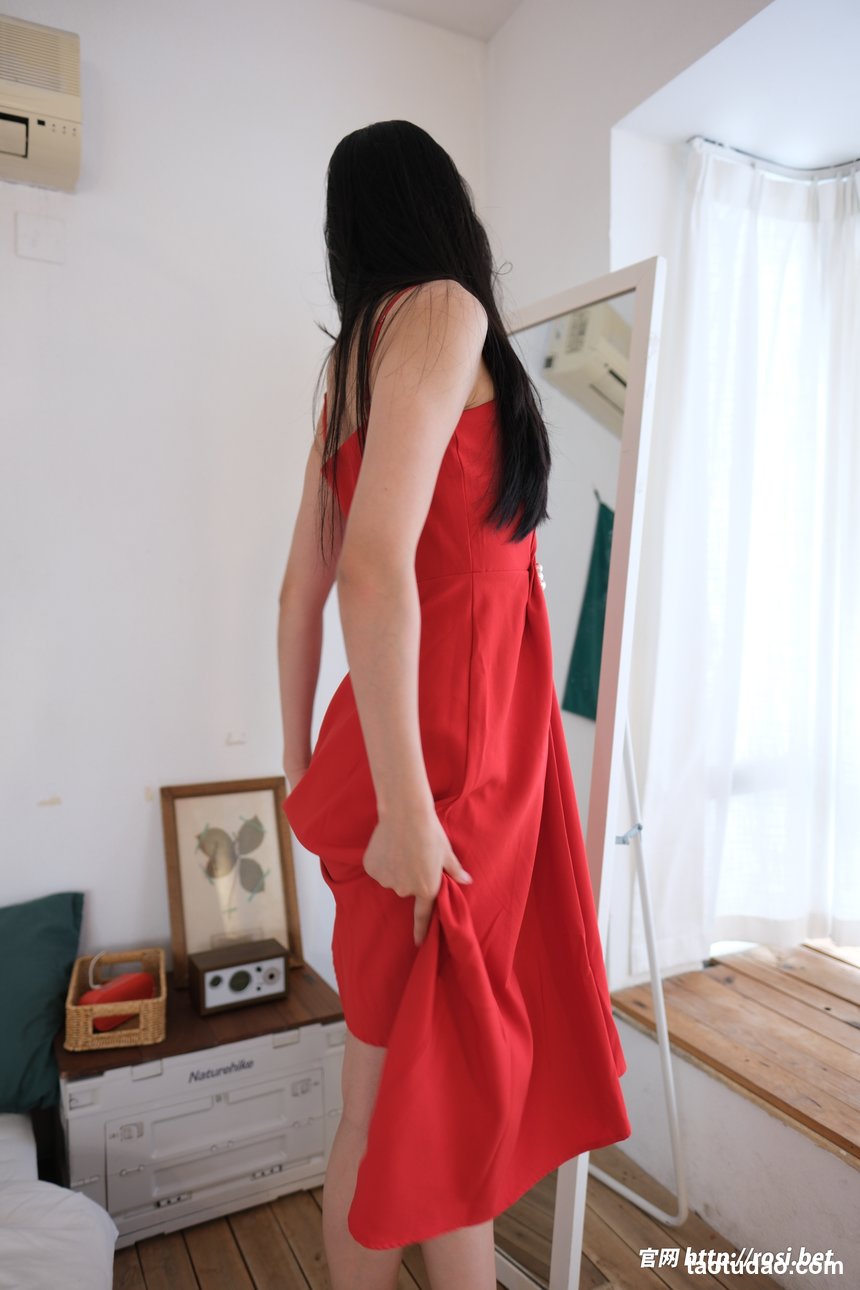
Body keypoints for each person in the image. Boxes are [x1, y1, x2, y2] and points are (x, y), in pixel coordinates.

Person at [277, 120, 631, 1290]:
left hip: (410, 774)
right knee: (434, 1111)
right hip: (439, 781)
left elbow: (298, 593)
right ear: (440, 206)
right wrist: (405, 811)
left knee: (390, 1104)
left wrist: (303, 769)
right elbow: (365, 572)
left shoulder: (355, 362)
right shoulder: (440, 311)